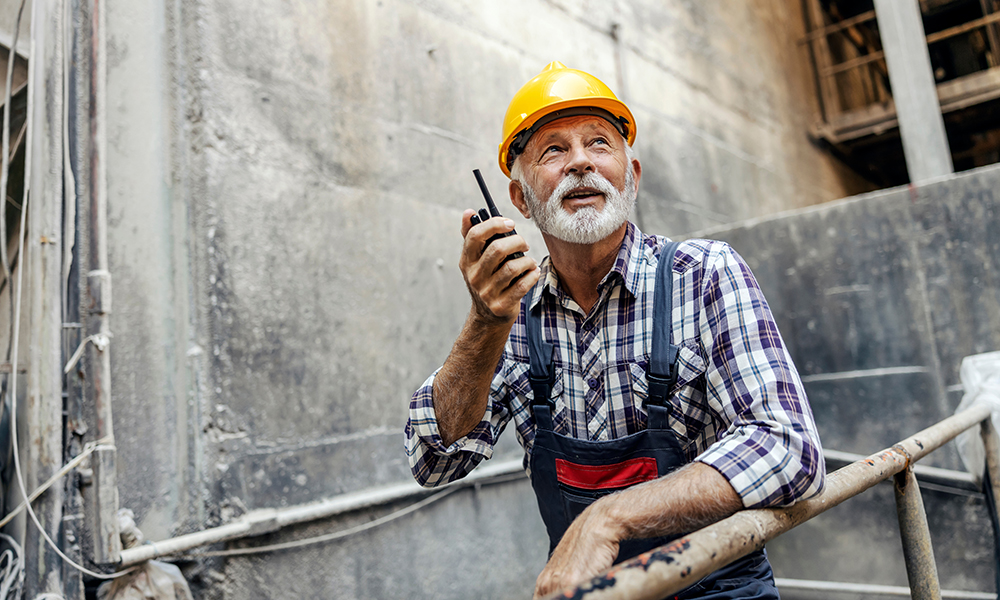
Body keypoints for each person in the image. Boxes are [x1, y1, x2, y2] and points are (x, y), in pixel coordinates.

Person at [404, 61, 825, 599]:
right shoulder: (512, 315)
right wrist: (485, 322)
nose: (580, 161)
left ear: (632, 174)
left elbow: (789, 448)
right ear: (519, 199)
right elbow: (434, 461)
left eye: (599, 143)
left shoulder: (704, 275)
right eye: (553, 150)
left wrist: (608, 518)